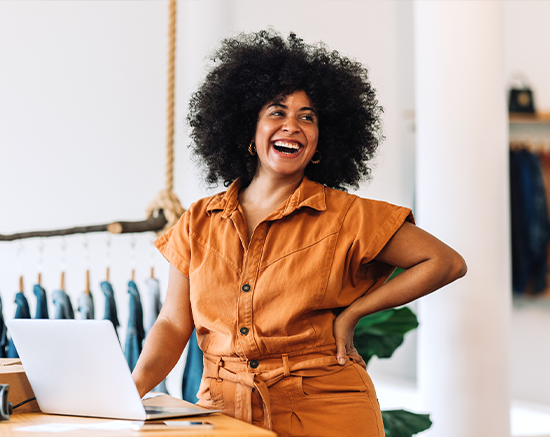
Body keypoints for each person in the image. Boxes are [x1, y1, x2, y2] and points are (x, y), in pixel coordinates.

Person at [132, 30, 467, 437]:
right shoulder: (198, 220)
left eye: (307, 117)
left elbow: (445, 262)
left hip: (326, 410)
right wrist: (130, 392)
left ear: (321, 140)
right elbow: (171, 323)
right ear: (247, 130)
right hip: (223, 410)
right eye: (277, 112)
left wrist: (355, 312)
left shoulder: (347, 216)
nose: (292, 126)